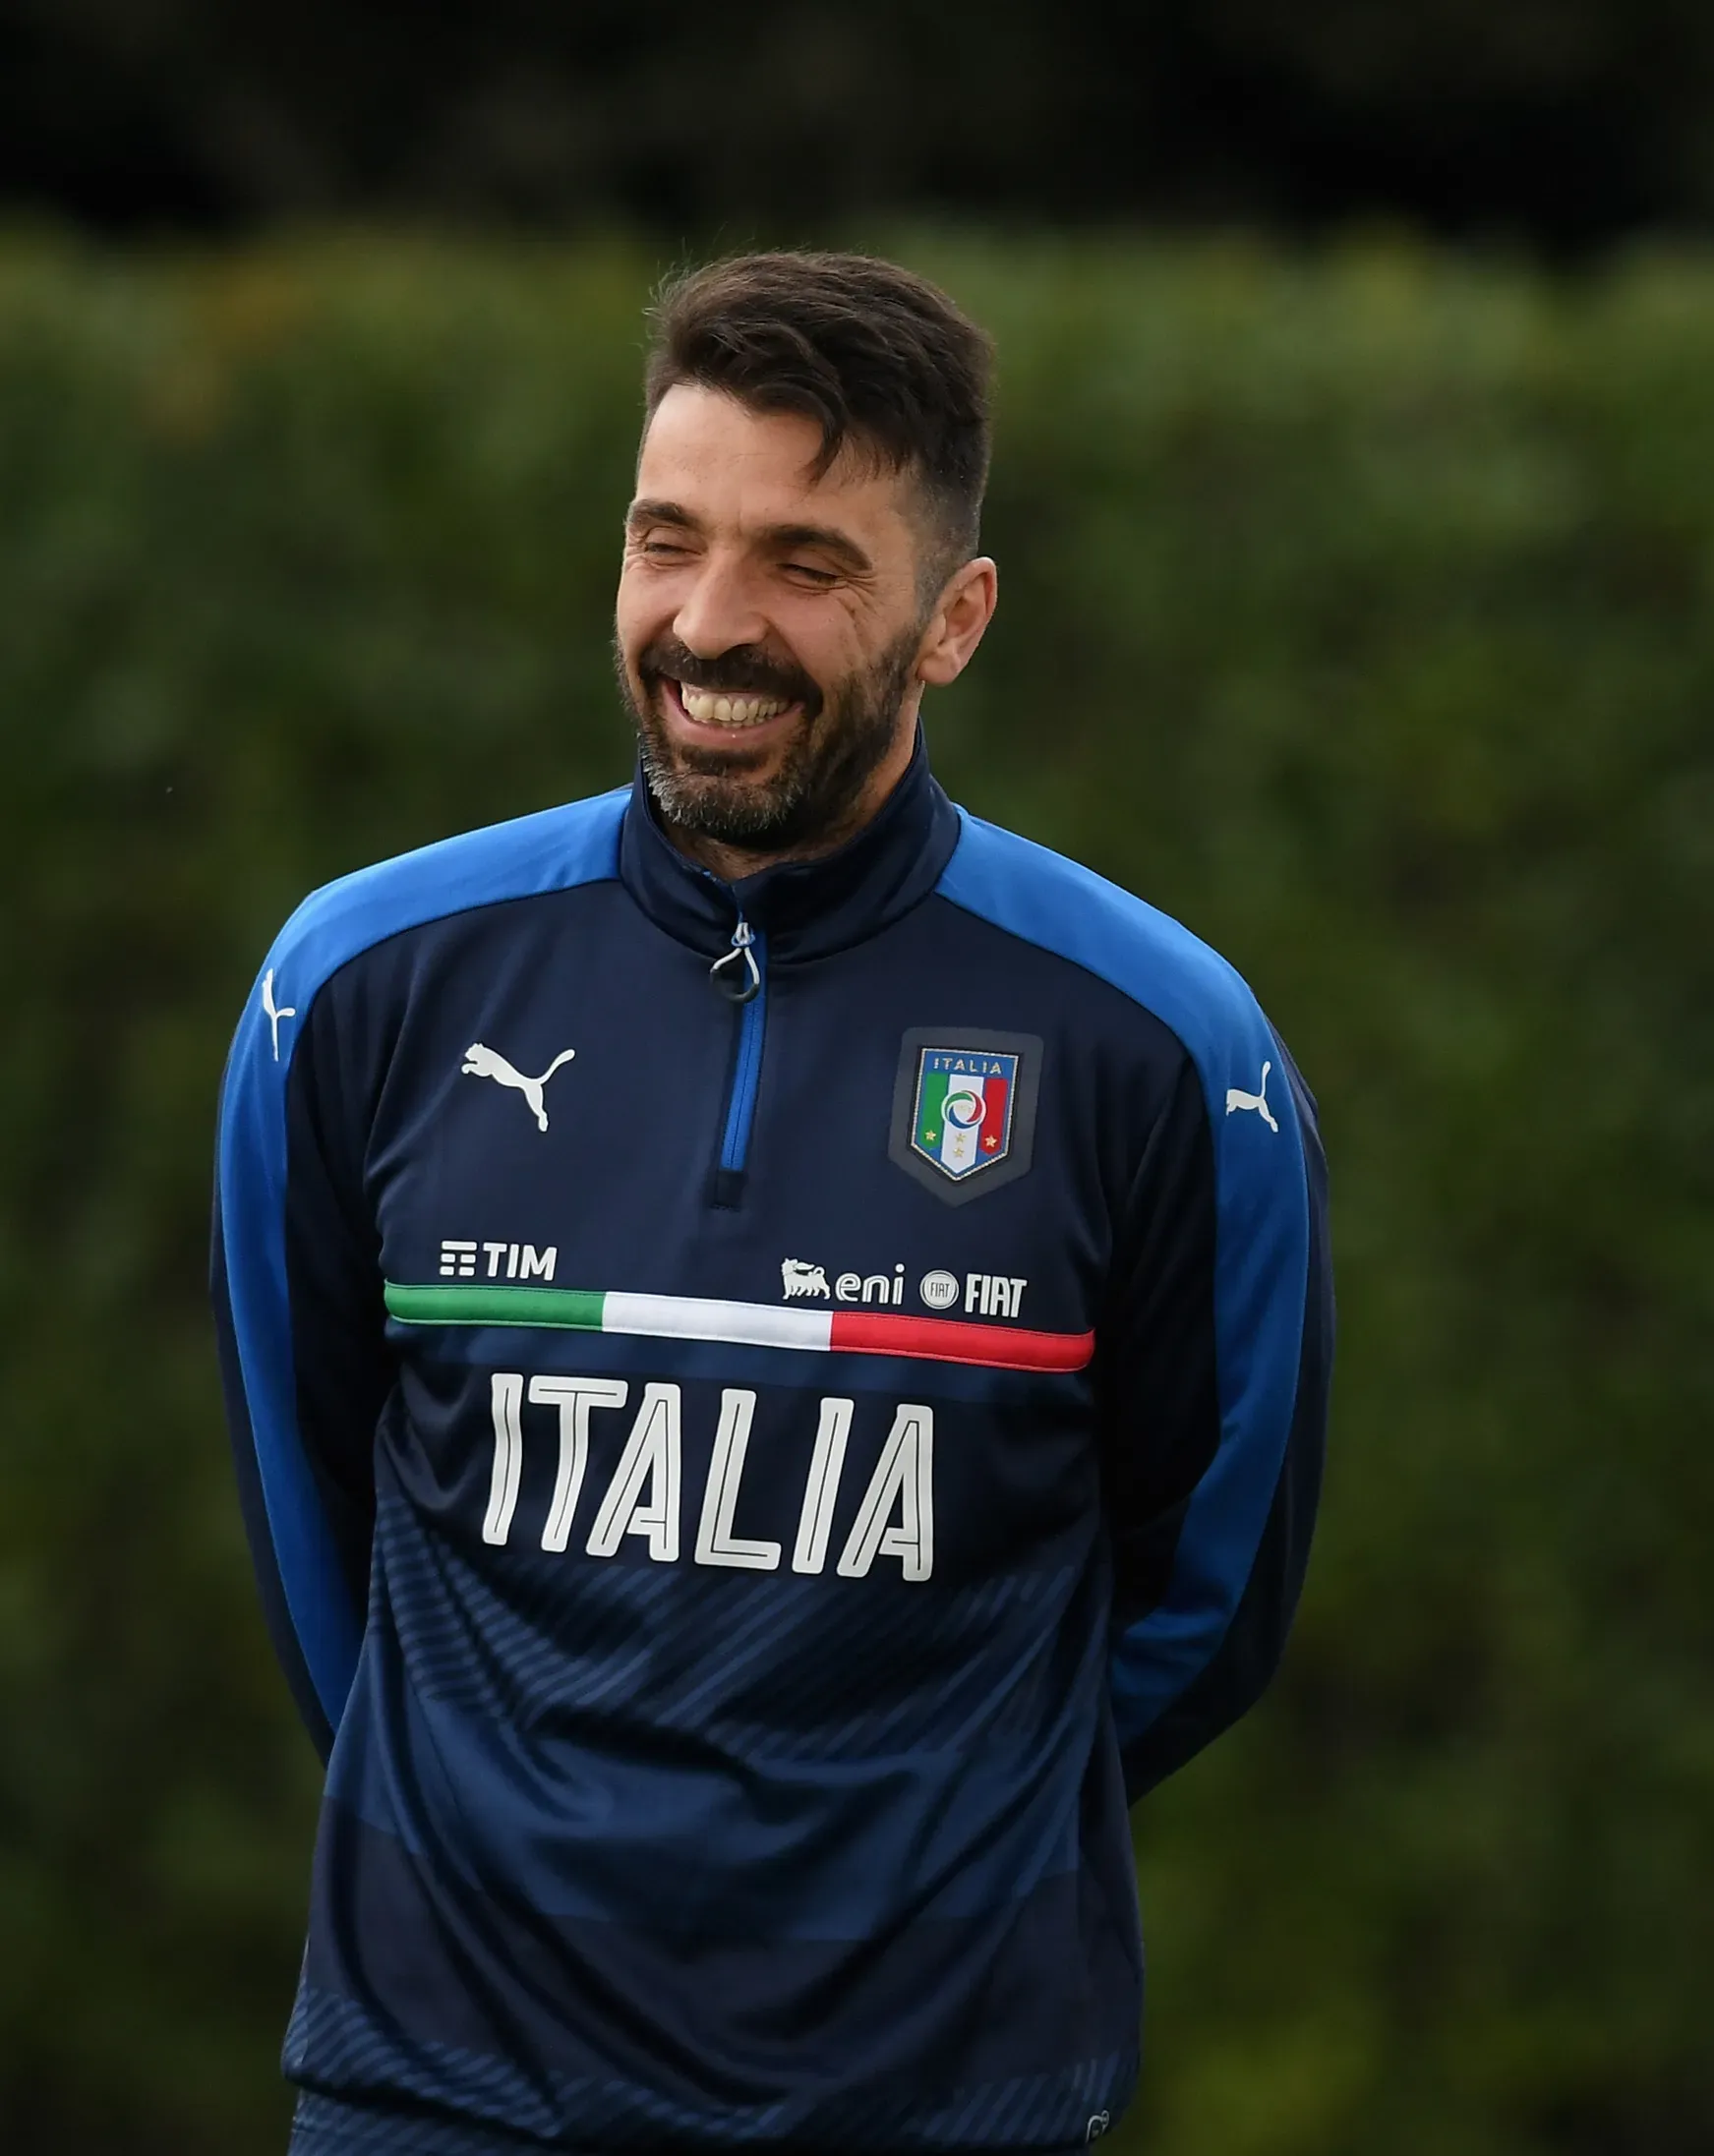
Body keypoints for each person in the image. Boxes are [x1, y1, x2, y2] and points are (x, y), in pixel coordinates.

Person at [210, 251, 1331, 2153]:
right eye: (667, 541)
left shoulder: (1162, 1045)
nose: (709, 623)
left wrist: (922, 1840)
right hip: (443, 2093)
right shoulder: (359, 984)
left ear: (954, 619)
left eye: (806, 565)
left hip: (936, 2101)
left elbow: (1206, 1600)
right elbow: (321, 1535)